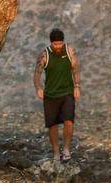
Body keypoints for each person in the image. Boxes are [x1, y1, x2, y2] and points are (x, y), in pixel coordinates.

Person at [34, 27, 81, 163]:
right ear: (51, 43)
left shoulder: (69, 51)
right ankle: (55, 152)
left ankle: (66, 149)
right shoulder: (44, 55)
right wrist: (38, 88)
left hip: (67, 92)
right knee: (52, 125)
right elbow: (37, 73)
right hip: (50, 95)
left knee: (69, 120)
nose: (58, 46)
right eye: (55, 44)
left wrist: (77, 86)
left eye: (60, 43)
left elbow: (75, 69)